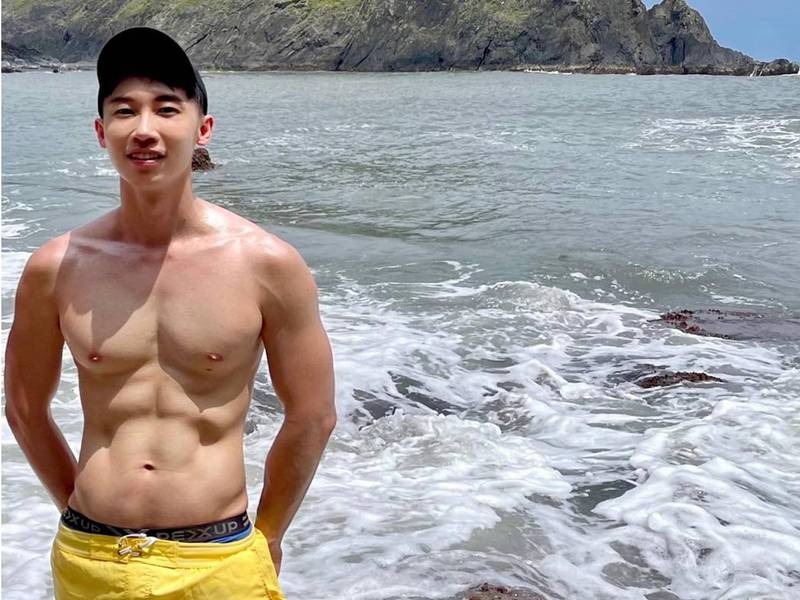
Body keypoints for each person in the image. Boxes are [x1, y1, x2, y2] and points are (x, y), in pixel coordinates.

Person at [4, 27, 336, 599]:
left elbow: (313, 415)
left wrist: (269, 535)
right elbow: (24, 408)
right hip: (89, 558)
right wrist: (77, 513)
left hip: (217, 560)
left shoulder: (266, 264)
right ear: (101, 131)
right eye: (123, 111)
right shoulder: (55, 267)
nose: (144, 129)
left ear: (202, 128)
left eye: (166, 108)